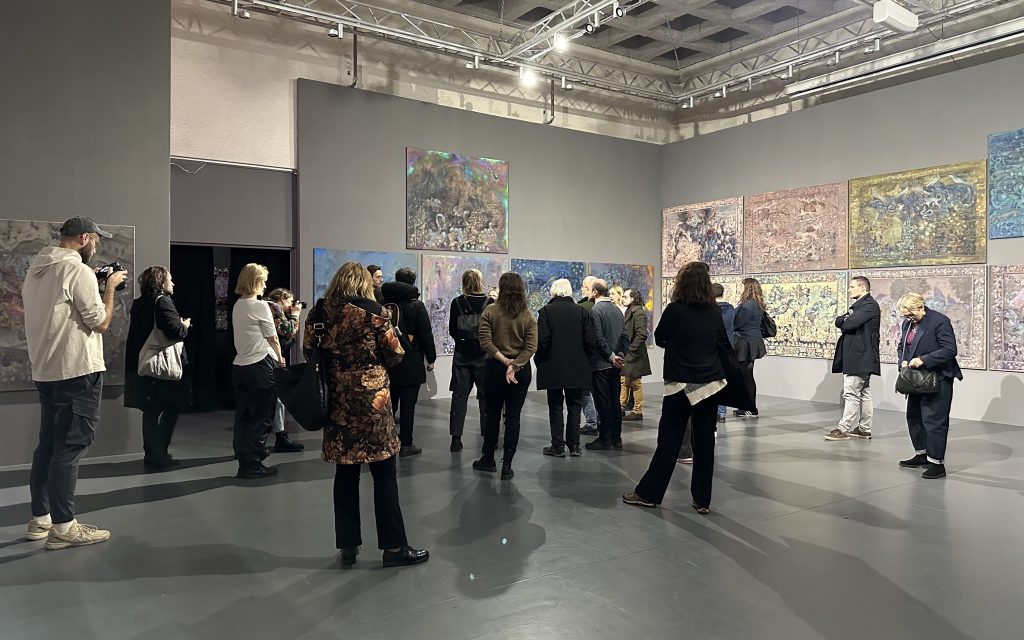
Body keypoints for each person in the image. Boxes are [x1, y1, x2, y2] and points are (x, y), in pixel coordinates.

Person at [306, 261, 428, 567]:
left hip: (338, 403)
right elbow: (396, 354)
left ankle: (348, 546)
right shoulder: (376, 313)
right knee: (383, 474)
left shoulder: (320, 312)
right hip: (374, 403)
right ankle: (394, 548)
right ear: (364, 283)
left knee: (345, 473)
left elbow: (309, 350)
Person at [22, 216, 128, 549]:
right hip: (77, 371)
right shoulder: (77, 271)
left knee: (48, 447)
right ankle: (64, 528)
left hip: (46, 371)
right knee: (70, 448)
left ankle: (41, 520)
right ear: (85, 237)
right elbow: (99, 323)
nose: (98, 245)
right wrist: (109, 288)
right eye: (97, 239)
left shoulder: (37, 269)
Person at [623, 262, 732, 514]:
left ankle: (649, 493)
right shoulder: (714, 312)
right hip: (709, 384)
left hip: (680, 384)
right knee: (705, 442)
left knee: (669, 439)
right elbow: (721, 343)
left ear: (682, 283)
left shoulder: (675, 310)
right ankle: (702, 500)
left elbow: (660, 338)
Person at [473, 272, 538, 480]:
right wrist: (515, 365)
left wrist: (505, 362)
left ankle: (488, 458)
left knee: (491, 415)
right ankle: (507, 465)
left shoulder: (490, 311)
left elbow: (485, 342)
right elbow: (531, 347)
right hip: (520, 372)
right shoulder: (528, 315)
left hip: (494, 368)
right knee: (513, 417)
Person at [125, 266, 190, 472]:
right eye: (170, 280)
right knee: (170, 410)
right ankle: (159, 455)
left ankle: (151, 455)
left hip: (145, 366)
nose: (173, 283)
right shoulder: (163, 302)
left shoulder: (139, 303)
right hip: (161, 368)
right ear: (161, 282)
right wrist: (184, 325)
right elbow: (174, 331)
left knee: (151, 413)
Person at [896, 293, 962, 479]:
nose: (907, 319)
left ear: (920, 308)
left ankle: (937, 464)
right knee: (914, 417)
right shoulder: (907, 323)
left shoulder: (939, 321)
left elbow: (949, 349)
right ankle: (922, 454)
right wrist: (903, 361)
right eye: (904, 315)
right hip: (916, 379)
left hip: (938, 377)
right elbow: (902, 346)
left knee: (934, 421)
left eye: (910, 315)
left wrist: (923, 359)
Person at [231, 263, 285, 479]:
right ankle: (253, 463)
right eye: (263, 280)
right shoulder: (259, 305)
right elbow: (272, 338)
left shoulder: (238, 304)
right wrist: (280, 358)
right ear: (255, 282)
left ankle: (244, 461)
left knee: (243, 416)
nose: (265, 285)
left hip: (241, 365)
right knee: (261, 416)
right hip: (261, 364)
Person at [536, 278, 596, 458]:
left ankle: (558, 446)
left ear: (553, 292)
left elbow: (542, 341)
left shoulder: (546, 311)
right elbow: (590, 341)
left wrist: (539, 361)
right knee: (574, 406)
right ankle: (575, 445)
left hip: (552, 366)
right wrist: (587, 362)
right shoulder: (581, 312)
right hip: (577, 367)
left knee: (555, 406)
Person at [381, 267, 437, 457]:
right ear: (413, 282)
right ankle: (406, 444)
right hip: (411, 360)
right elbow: (426, 334)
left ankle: (385, 441)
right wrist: (431, 358)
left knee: (388, 405)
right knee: (408, 406)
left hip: (388, 361)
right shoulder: (416, 306)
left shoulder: (383, 303)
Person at [826, 276, 881, 442]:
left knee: (852, 393)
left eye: (852, 287)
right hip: (859, 356)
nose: (849, 289)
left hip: (860, 356)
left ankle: (844, 429)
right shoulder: (861, 306)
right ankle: (864, 429)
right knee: (863, 392)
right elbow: (840, 320)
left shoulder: (869, 306)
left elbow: (847, 324)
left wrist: (845, 319)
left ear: (862, 288)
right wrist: (844, 319)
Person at [447, 269, 491, 452]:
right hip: (484, 356)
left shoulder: (456, 302)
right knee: (486, 399)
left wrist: (463, 341)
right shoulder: (490, 303)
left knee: (459, 398)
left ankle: (456, 439)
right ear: (480, 282)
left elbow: (452, 329)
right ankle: (488, 436)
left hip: (462, 356)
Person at [585, 281, 628, 451]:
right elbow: (625, 336)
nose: (585, 291)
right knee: (615, 402)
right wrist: (620, 355)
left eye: (586, 289)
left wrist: (611, 357)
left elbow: (598, 338)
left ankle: (605, 438)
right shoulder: (617, 309)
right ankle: (616, 438)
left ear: (595, 292)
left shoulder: (596, 311)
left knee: (603, 403)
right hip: (615, 364)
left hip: (601, 364)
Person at [265, 288, 304, 453]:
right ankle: (279, 438)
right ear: (281, 298)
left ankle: (277, 437)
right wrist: (296, 314)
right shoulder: (273, 307)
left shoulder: (267, 307)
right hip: (271, 358)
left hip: (267, 357)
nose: (291, 305)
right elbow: (287, 330)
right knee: (275, 398)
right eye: (290, 301)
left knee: (275, 400)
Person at [732, 277, 767, 418]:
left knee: (745, 376)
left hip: (745, 342)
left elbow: (737, 323)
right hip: (753, 341)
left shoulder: (748, 306)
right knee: (747, 375)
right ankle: (747, 407)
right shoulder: (757, 304)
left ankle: (750, 408)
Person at [620, 289, 651, 422]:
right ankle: (621, 408)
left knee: (635, 382)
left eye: (625, 296)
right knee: (625, 381)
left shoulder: (638, 312)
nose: (623, 298)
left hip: (635, 354)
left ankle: (637, 411)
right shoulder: (631, 311)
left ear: (633, 298)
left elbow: (642, 334)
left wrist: (631, 350)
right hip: (630, 352)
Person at [578, 275, 600, 434]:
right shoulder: (607, 307)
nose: (581, 289)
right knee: (598, 391)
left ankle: (592, 422)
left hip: (586, 357)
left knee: (584, 390)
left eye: (583, 287)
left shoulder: (583, 308)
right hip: (603, 358)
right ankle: (598, 420)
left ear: (591, 290)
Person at [714, 283, 736, 425]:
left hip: (713, 349)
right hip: (728, 349)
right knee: (723, 381)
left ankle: (712, 410)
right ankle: (722, 413)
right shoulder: (731, 309)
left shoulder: (710, 310)